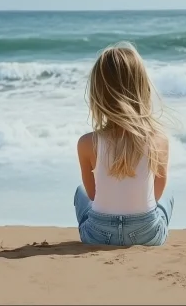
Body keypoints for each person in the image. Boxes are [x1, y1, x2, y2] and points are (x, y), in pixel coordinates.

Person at [74, 42, 174, 246]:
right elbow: (158, 191)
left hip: (98, 235)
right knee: (168, 196)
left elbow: (94, 195)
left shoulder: (87, 143)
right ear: (142, 88)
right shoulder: (158, 140)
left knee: (80, 193)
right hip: (146, 234)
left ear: (98, 93)